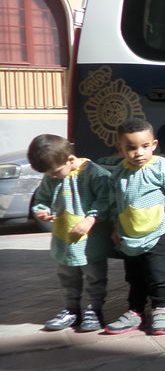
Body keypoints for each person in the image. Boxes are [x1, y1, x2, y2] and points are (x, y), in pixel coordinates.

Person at [105, 117, 165, 335]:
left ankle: (161, 309)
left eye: (144, 146)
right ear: (120, 148)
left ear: (154, 145)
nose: (138, 153)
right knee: (134, 276)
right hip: (129, 236)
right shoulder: (118, 174)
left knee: (157, 274)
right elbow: (116, 203)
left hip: (157, 233)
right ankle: (135, 312)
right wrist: (116, 227)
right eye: (131, 148)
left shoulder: (163, 168)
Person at [28, 134, 112, 332]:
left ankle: (95, 310)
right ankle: (71, 310)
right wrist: (42, 210)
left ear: (71, 159)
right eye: (49, 174)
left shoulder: (93, 174)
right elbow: (43, 198)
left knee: (94, 276)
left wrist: (91, 218)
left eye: (56, 172)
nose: (53, 176)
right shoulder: (51, 177)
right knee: (67, 276)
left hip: (91, 241)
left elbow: (106, 199)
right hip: (64, 239)